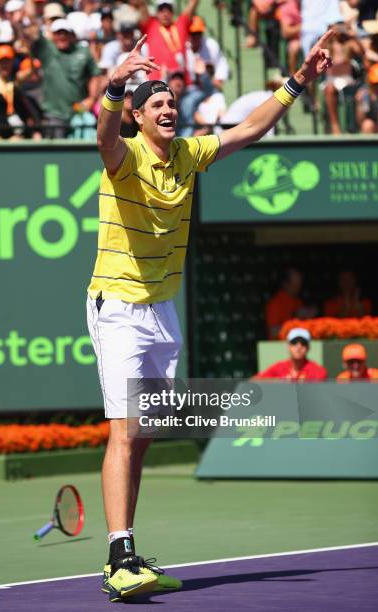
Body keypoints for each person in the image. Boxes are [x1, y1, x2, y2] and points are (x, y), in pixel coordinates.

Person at [87, 27, 333, 601]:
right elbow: (104, 134)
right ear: (139, 118)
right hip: (119, 307)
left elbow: (250, 127)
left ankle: (125, 550)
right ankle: (118, 557)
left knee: (144, 433)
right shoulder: (121, 157)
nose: (169, 108)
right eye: (157, 104)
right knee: (124, 430)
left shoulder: (190, 154)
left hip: (162, 311)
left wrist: (300, 79)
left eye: (172, 101)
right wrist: (116, 86)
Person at [25, 17, 100, 137]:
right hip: (54, 114)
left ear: (71, 35)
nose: (62, 36)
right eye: (58, 33)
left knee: (82, 150)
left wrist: (92, 98)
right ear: (52, 35)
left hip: (79, 112)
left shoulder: (83, 52)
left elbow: (95, 74)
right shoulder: (47, 49)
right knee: (55, 153)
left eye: (65, 33)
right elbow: (32, 35)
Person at [136, 0, 199, 82]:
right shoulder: (151, 25)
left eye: (169, 10)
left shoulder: (180, 25)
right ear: (157, 12)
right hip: (157, 84)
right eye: (161, 10)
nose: (165, 14)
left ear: (173, 12)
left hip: (182, 85)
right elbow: (141, 4)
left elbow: (193, 3)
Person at [254, 328, 328, 381]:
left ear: (308, 347)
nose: (299, 347)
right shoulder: (279, 367)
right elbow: (254, 381)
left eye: (303, 343)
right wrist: (278, 382)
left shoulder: (317, 371)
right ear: (288, 346)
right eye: (294, 342)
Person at [265, 268, 317, 339]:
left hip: (297, 345)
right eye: (294, 285)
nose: (298, 288)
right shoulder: (275, 303)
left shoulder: (298, 302)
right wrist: (295, 318)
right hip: (278, 346)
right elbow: (273, 332)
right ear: (285, 284)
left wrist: (308, 317)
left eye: (299, 284)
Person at [355, 61, 378, 131]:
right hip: (374, 126)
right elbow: (360, 121)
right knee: (367, 125)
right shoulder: (364, 94)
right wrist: (360, 104)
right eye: (374, 83)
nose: (376, 86)